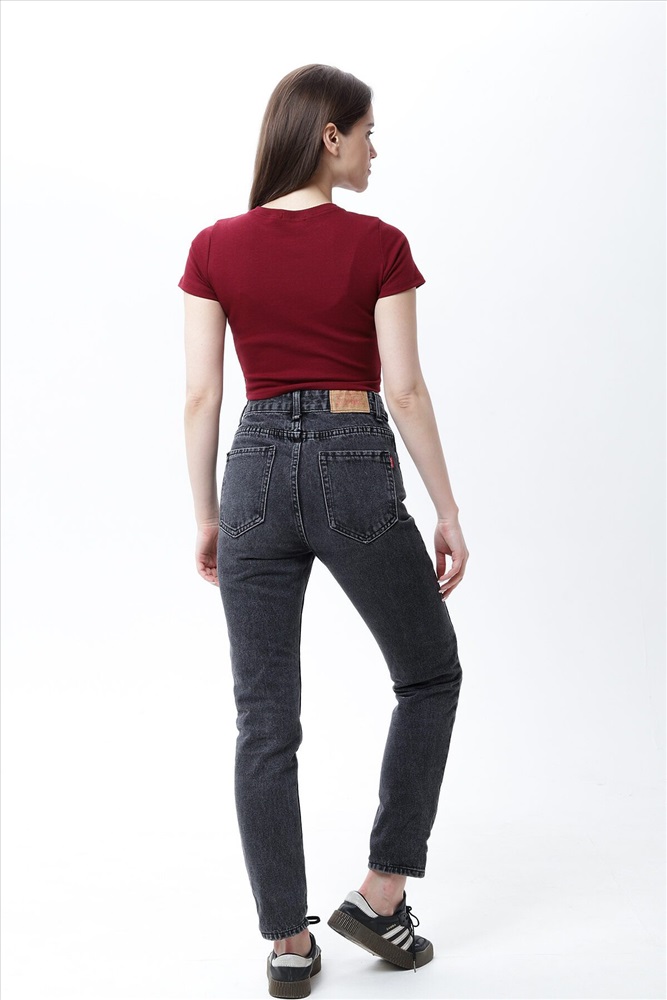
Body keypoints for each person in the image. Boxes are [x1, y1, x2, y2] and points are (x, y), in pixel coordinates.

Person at [179, 63, 468, 999]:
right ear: (329, 135)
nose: (376, 150)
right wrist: (446, 509)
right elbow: (404, 389)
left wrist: (209, 514)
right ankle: (380, 896)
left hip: (253, 467)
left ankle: (289, 943)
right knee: (428, 674)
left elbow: (201, 398)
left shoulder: (214, 247)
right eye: (368, 132)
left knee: (264, 720)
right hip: (353, 462)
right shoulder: (378, 244)